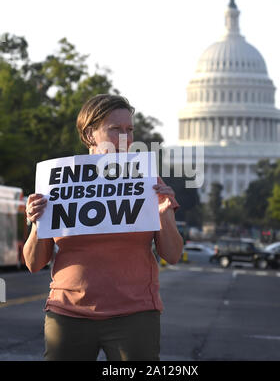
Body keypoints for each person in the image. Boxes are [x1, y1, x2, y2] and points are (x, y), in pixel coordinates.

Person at [23, 94, 183, 361]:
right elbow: (33, 263)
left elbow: (173, 254)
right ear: (90, 134)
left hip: (135, 315)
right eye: (115, 129)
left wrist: (164, 214)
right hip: (67, 313)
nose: (127, 138)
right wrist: (36, 224)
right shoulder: (57, 181)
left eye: (130, 130)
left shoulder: (148, 180)